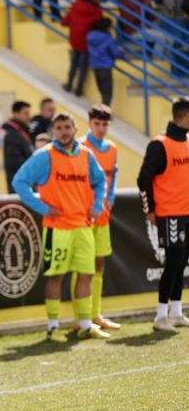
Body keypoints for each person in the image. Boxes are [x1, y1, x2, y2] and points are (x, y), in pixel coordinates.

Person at [12, 112, 108, 341]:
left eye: (67, 127)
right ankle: (53, 327)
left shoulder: (86, 154)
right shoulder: (44, 156)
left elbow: (100, 180)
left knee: (86, 273)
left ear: (75, 129)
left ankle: (85, 324)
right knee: (56, 276)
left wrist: (97, 205)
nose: (64, 131)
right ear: (54, 130)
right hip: (58, 228)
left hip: (82, 226)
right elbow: (19, 181)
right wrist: (43, 208)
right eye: (59, 128)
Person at [136, 96, 189, 332]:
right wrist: (150, 211)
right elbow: (143, 179)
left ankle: (177, 311)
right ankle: (160, 315)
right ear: (185, 117)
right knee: (174, 261)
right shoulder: (159, 144)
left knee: (182, 261)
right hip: (169, 214)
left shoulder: (187, 141)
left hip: (186, 212)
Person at [73, 104, 120, 330]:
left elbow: (114, 175)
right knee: (82, 265)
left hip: (103, 215)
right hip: (82, 215)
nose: (101, 128)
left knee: (99, 262)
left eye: (105, 124)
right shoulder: (80, 146)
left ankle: (95, 315)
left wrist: (109, 198)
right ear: (89, 122)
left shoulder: (112, 148)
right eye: (97, 123)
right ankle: (80, 317)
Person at [62, 0, 104, 97]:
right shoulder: (96, 11)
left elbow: (66, 20)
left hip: (74, 40)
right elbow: (100, 25)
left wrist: (64, 22)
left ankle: (69, 84)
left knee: (73, 64)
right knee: (83, 67)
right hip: (87, 43)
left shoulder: (76, 5)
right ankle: (78, 89)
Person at [86, 17, 125, 106]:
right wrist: (123, 54)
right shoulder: (107, 38)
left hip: (95, 66)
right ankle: (104, 113)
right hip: (105, 67)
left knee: (102, 90)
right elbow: (115, 52)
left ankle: (103, 111)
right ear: (107, 27)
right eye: (111, 27)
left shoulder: (90, 36)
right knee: (107, 93)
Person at [3, 100, 34, 194]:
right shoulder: (13, 135)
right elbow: (15, 162)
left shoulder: (22, 132)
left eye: (29, 113)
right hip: (20, 186)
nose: (29, 116)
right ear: (15, 114)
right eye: (25, 113)